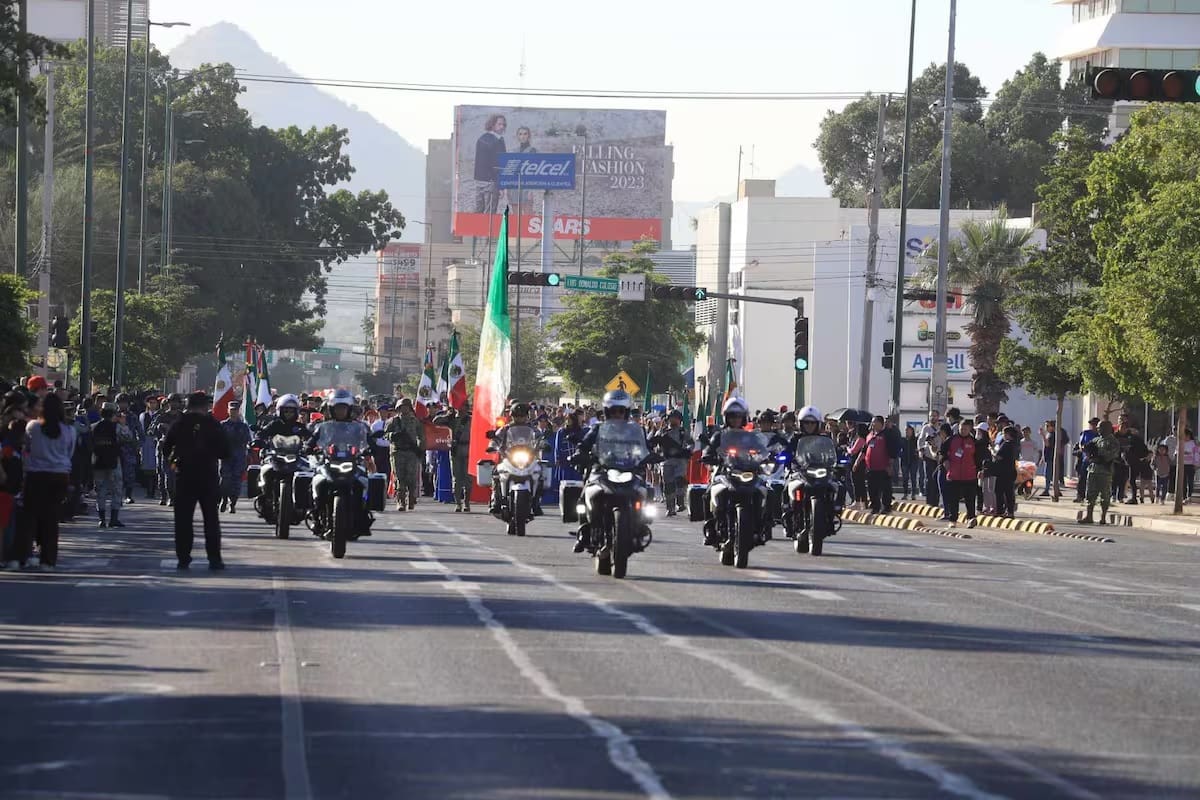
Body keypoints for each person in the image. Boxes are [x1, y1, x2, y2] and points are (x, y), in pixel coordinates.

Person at [162, 392, 231, 570]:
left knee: (183, 520)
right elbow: (225, 451)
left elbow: (166, 447)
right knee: (211, 520)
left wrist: (174, 462)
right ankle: (214, 559)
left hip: (184, 476)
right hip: (207, 476)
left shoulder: (179, 423)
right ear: (204, 406)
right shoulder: (213, 424)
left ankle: (183, 558)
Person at [18, 394, 77, 569]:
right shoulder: (69, 430)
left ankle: (26, 554)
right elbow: (70, 453)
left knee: (30, 516)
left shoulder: (33, 427)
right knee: (51, 518)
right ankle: (48, 559)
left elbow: (26, 449)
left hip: (36, 474)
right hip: (59, 475)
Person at [649, 409, 694, 517]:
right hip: (666, 461)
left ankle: (680, 502)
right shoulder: (662, 431)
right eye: (671, 418)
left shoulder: (683, 432)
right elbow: (653, 443)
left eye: (676, 418)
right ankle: (670, 508)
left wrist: (687, 451)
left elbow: (691, 444)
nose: (674, 420)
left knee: (679, 481)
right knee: (668, 485)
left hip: (680, 460)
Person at [384, 397, 425, 511]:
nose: (405, 409)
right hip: (398, 452)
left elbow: (421, 435)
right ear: (398, 408)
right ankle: (401, 501)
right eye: (402, 407)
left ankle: (411, 499)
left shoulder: (415, 421)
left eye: (407, 407)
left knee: (411, 478)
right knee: (400, 477)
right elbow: (385, 434)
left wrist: (420, 449)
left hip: (411, 452)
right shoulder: (393, 421)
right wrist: (393, 435)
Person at [940, 419, 981, 528]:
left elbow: (978, 458)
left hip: (970, 475)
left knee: (970, 499)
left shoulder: (973, 442)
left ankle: (971, 518)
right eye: (961, 429)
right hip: (954, 475)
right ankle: (953, 520)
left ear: (970, 430)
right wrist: (945, 461)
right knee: (953, 499)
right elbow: (942, 452)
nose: (963, 431)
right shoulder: (951, 440)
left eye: (965, 429)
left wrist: (980, 470)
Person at [433, 403, 474, 512]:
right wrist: (448, 415)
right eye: (459, 406)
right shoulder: (451, 419)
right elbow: (435, 421)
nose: (461, 409)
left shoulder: (471, 420)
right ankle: (458, 503)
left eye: (463, 406)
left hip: (468, 450)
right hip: (456, 451)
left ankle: (466, 502)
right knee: (457, 479)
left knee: (468, 479)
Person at [91, 403, 125, 529]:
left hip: (98, 462)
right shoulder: (117, 428)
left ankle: (102, 519)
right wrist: (123, 424)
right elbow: (129, 438)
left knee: (101, 491)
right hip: (113, 462)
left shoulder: (94, 427)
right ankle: (114, 519)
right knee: (116, 490)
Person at [1080, 420, 1119, 525]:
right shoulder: (1096, 439)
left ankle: (1103, 517)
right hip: (1093, 469)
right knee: (1090, 494)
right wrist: (1086, 450)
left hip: (1105, 471)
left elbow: (1112, 455)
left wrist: (1099, 455)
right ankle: (1089, 516)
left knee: (1105, 495)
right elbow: (1086, 449)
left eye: (1100, 427)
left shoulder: (1112, 441)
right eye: (1098, 428)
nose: (1098, 429)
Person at [219, 400, 253, 513]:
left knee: (236, 481)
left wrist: (249, 451)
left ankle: (232, 503)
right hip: (226, 456)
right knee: (225, 480)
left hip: (239, 456)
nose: (233, 412)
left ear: (239, 411)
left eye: (236, 410)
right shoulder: (223, 425)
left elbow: (248, 440)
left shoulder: (243, 426)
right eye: (231, 410)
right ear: (228, 411)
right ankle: (224, 499)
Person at [151, 393, 185, 506]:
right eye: (172, 401)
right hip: (163, 448)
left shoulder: (183, 417)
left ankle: (174, 497)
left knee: (175, 474)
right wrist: (159, 427)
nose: (174, 404)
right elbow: (151, 430)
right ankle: (164, 495)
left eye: (176, 402)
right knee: (163, 473)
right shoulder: (161, 416)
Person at [856, 416, 893, 514]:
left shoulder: (887, 435)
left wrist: (890, 465)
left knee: (885, 489)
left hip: (883, 467)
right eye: (872, 422)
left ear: (881, 423)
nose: (872, 424)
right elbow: (864, 450)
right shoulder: (869, 435)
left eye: (874, 422)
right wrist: (857, 462)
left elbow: (892, 450)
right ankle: (875, 507)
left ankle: (886, 507)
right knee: (872, 489)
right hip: (871, 468)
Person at [473, 113, 507, 214]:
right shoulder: (497, 140)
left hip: (479, 180)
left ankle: (476, 229)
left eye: (503, 125)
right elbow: (497, 163)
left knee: (479, 211)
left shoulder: (482, 138)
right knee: (490, 214)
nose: (502, 127)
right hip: (491, 181)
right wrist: (500, 185)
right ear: (492, 125)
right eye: (499, 124)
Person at [992, 426, 1020, 518]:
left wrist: (992, 452)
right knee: (1009, 493)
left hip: (1003, 471)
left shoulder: (1006, 444)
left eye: (1004, 434)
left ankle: (1000, 511)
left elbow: (999, 457)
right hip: (1011, 471)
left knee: (999, 491)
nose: (1003, 436)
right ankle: (1010, 512)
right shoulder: (1015, 444)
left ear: (1008, 434)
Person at [139, 396, 161, 498]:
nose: (152, 404)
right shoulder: (143, 415)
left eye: (154, 402)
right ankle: (149, 490)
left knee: (156, 467)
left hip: (156, 441)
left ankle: (155, 490)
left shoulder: (160, 415)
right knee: (147, 468)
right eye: (150, 402)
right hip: (146, 442)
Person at [1074, 418, 1100, 502]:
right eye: (1092, 424)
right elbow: (1081, 444)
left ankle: (1092, 496)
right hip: (1086, 458)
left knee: (1095, 478)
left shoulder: (1100, 435)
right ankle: (1080, 495)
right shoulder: (1086, 433)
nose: (1093, 426)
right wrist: (1085, 451)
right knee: (1082, 477)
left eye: (1095, 424)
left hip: (1096, 458)